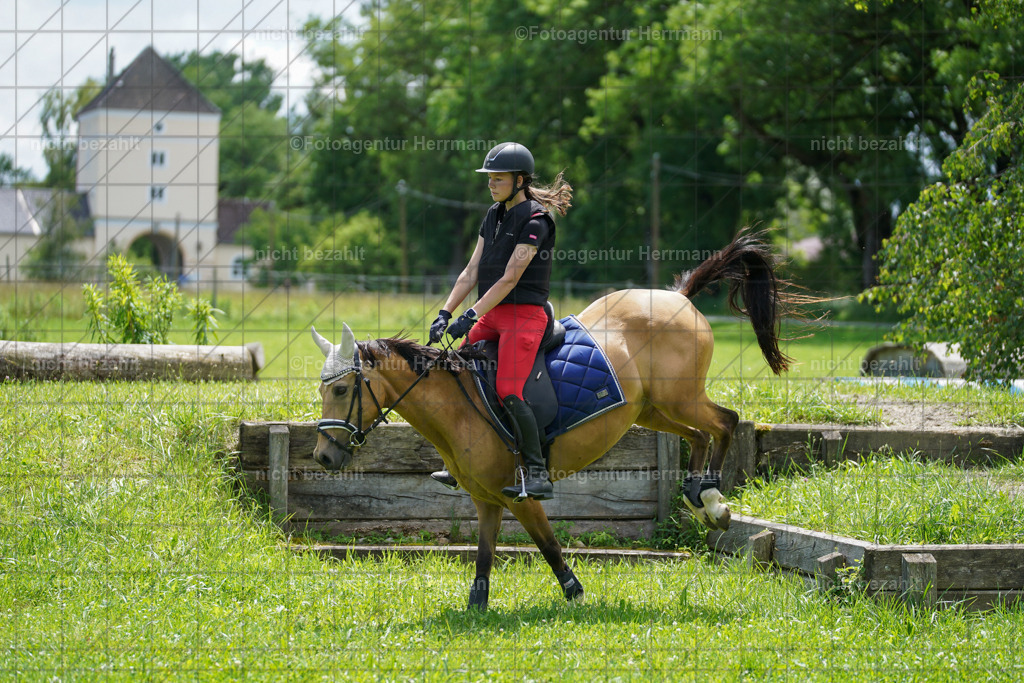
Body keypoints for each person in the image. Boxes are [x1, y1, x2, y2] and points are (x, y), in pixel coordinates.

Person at [428, 142, 572, 500]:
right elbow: (472, 269)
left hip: (524, 316)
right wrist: (446, 312)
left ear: (520, 180)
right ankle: (457, 459)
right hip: (492, 314)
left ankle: (538, 473)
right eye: (489, 178)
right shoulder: (493, 214)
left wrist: (471, 314)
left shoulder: (538, 220)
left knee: (508, 389)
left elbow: (510, 277)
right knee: (455, 371)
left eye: (498, 178)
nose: (491, 184)